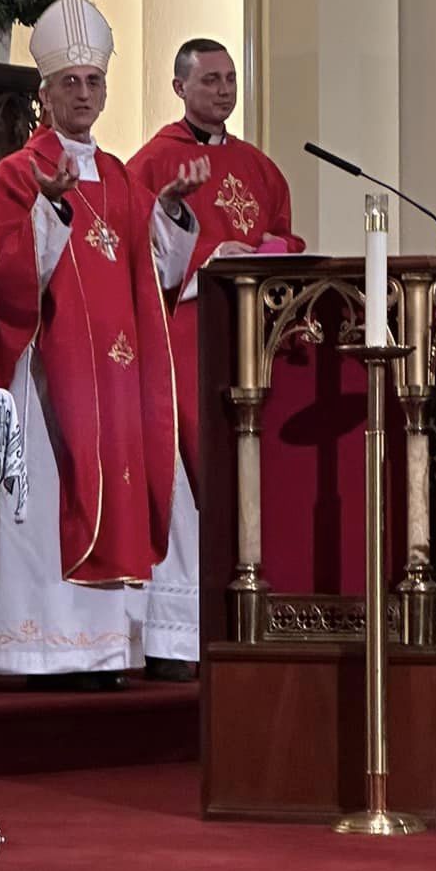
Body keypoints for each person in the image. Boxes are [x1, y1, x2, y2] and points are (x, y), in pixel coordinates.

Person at [0, 0, 209, 685]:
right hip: (52, 379)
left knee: (119, 491)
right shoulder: (19, 171)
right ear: (44, 93)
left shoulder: (125, 176)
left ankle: (103, 649)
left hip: (119, 379)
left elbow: (153, 269)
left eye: (93, 81)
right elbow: (8, 278)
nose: (83, 92)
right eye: (69, 81)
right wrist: (51, 205)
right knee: (48, 503)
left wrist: (173, 211)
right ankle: (42, 648)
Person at [126, 38, 306, 670]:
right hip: (187, 334)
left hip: (256, 338)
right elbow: (137, 257)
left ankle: (260, 604)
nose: (224, 90)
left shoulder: (261, 168)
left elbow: (286, 235)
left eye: (230, 79)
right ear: (180, 88)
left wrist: (269, 252)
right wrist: (209, 261)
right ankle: (182, 631)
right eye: (210, 80)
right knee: (195, 462)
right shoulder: (151, 165)